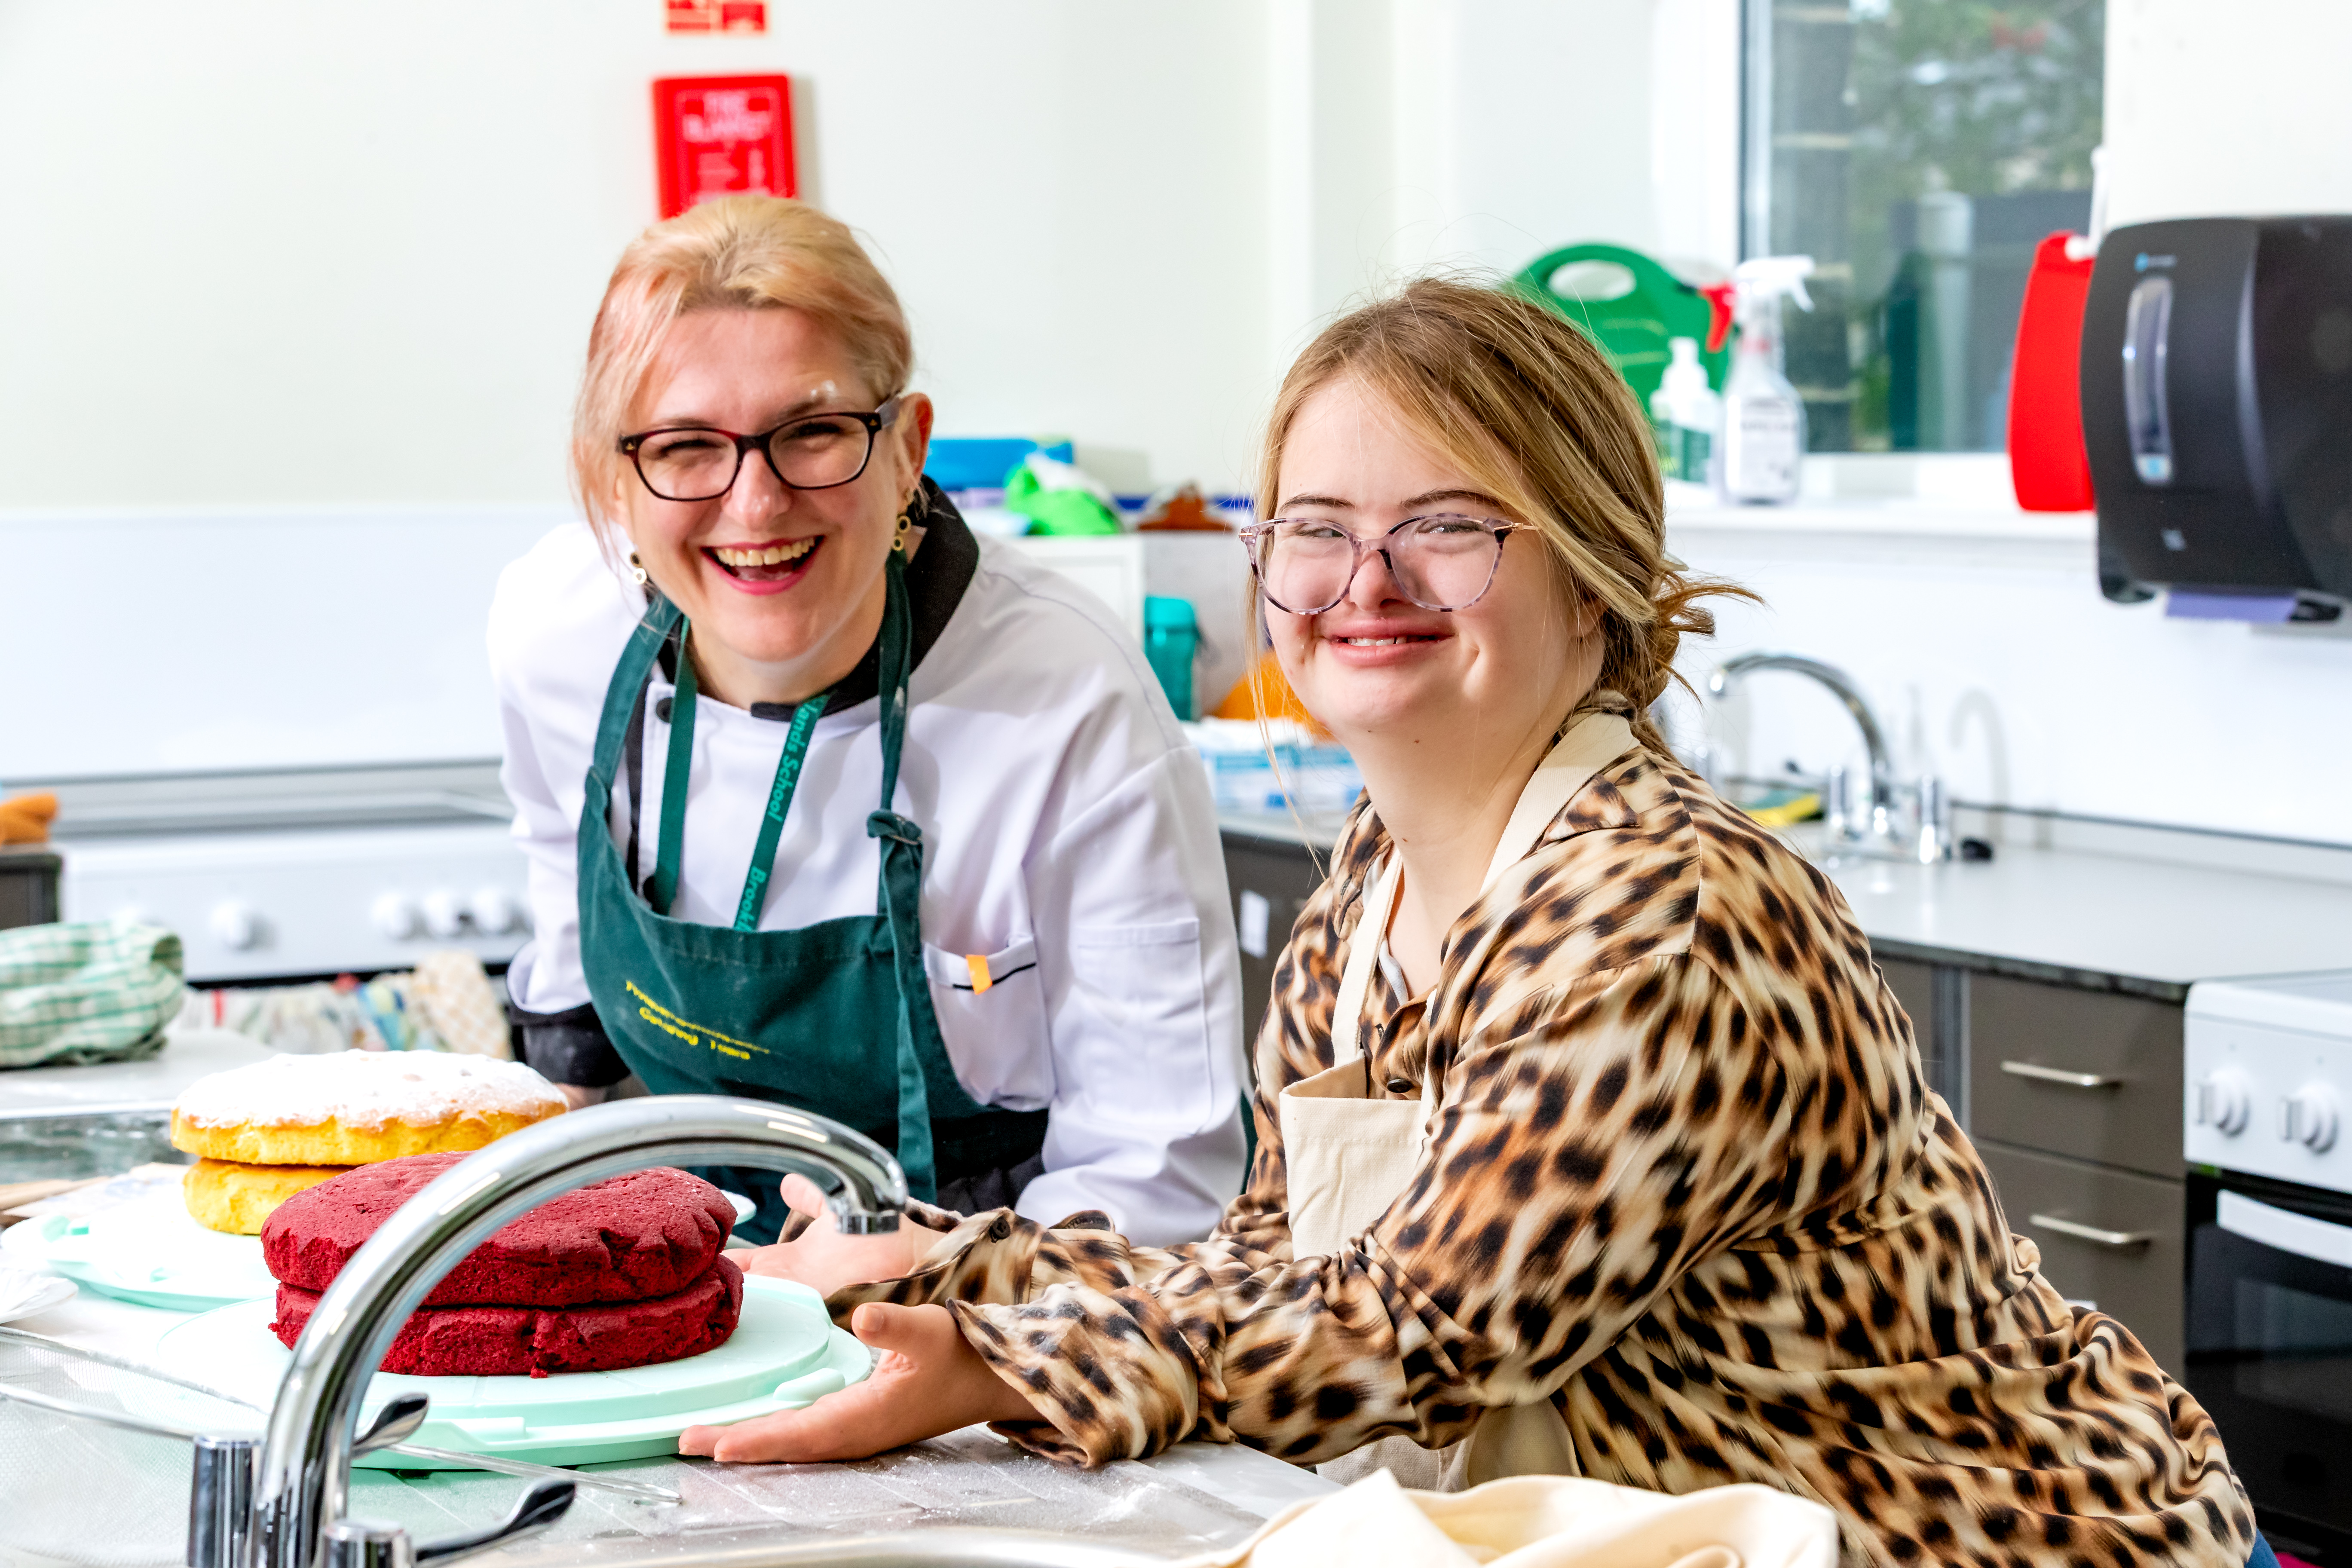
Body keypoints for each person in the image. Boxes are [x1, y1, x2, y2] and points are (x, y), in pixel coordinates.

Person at [674, 278, 2263, 1568]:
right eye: (1313, 524)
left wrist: (1015, 1359)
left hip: (1995, 1541)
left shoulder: (1668, 912)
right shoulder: (1364, 896)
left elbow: (1426, 1325)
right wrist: (958, 1259)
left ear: (1590, 578)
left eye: (1447, 522)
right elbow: (1273, 1267)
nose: (1366, 578)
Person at [489, 195, 1246, 1247]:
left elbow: (1156, 1172)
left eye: (814, 433)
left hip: (981, 1275)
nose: (753, 506)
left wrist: (946, 1300)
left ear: (907, 448)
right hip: (666, 1238)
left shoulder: (1071, 701)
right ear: (616, 475)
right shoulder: (556, 631)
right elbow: (564, 918)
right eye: (685, 446)